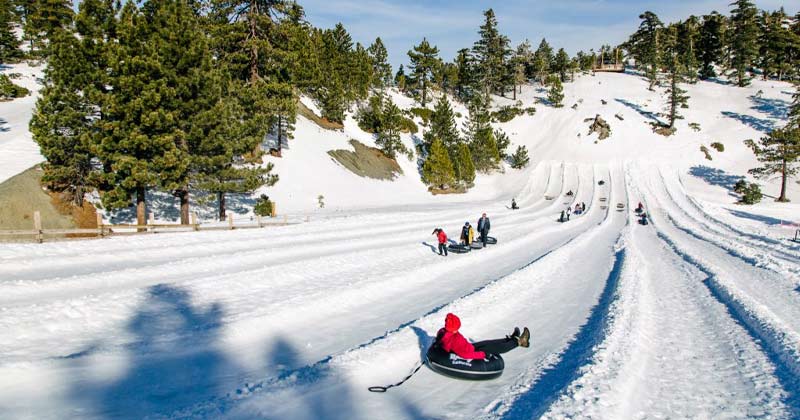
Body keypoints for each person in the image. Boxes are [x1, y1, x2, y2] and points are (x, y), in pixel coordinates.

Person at [435, 313, 530, 360]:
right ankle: (520, 342)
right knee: (498, 348)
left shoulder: (444, 331)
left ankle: (511, 338)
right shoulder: (454, 340)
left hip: (468, 347)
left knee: (489, 342)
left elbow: (440, 340)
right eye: (457, 327)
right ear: (454, 328)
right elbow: (465, 355)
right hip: (470, 351)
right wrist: (483, 354)